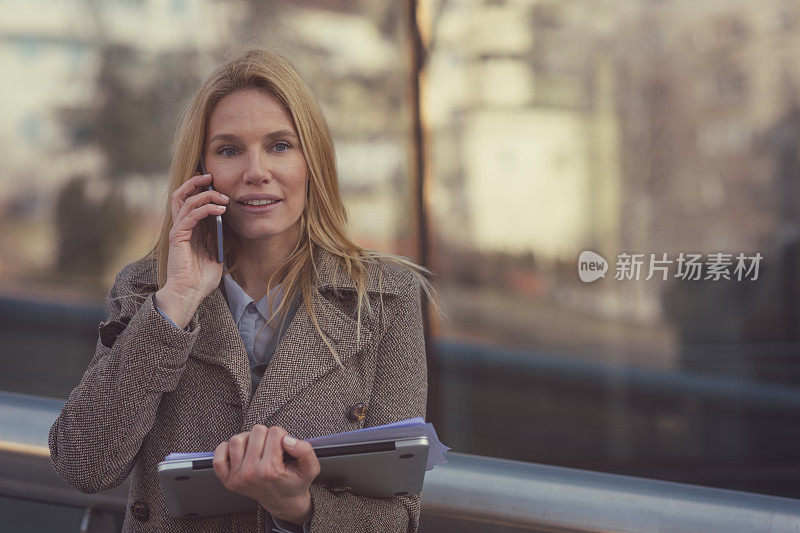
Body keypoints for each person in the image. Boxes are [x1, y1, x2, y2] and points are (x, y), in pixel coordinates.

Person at [48, 47, 443, 533]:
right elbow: (84, 464)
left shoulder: (385, 298)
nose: (256, 171)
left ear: (311, 161)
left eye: (280, 145)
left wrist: (298, 507)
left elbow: (400, 517)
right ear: (200, 172)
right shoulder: (147, 289)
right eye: (230, 149)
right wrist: (175, 306)